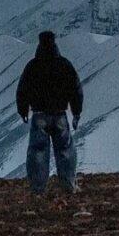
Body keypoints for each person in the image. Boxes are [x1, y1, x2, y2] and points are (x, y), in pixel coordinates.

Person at [16, 31, 83, 194]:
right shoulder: (64, 64)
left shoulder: (33, 66)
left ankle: (38, 188)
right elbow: (75, 89)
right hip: (59, 114)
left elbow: (22, 90)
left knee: (38, 152)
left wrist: (23, 110)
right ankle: (68, 185)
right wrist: (76, 112)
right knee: (65, 150)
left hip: (39, 114)